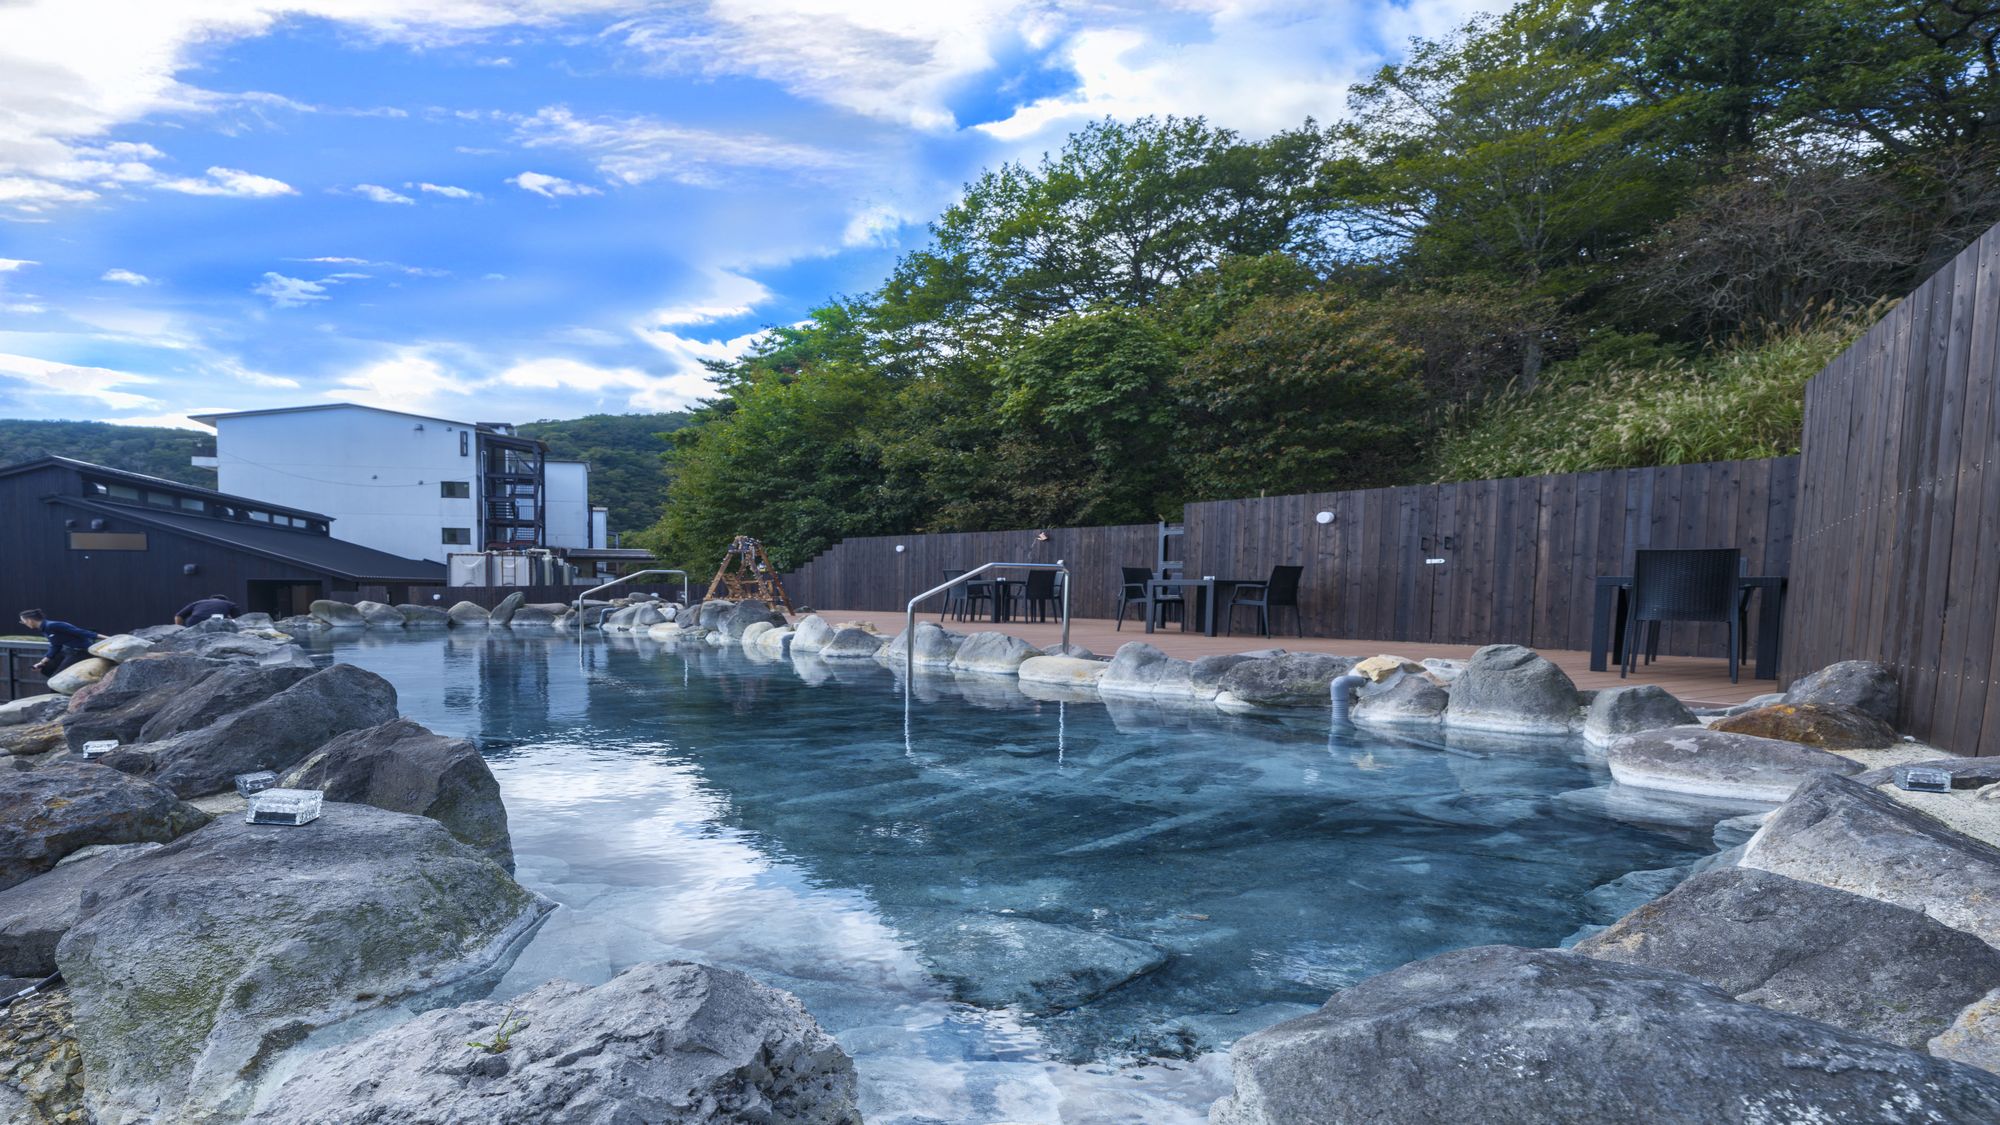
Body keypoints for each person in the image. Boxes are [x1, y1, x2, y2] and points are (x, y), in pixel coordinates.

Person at [19, 610, 100, 680]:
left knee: (56, 678)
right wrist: (42, 662)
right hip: (68, 650)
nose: (24, 623)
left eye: (23, 621)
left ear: (29, 620)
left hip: (80, 651)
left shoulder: (52, 625)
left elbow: (81, 632)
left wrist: (109, 638)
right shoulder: (44, 629)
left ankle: (58, 694)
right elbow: (55, 646)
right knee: (46, 669)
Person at [173, 593, 240, 626]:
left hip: (194, 622)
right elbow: (239, 619)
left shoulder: (198, 602)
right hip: (214, 623)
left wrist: (179, 629)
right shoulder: (229, 604)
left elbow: (178, 616)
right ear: (225, 601)